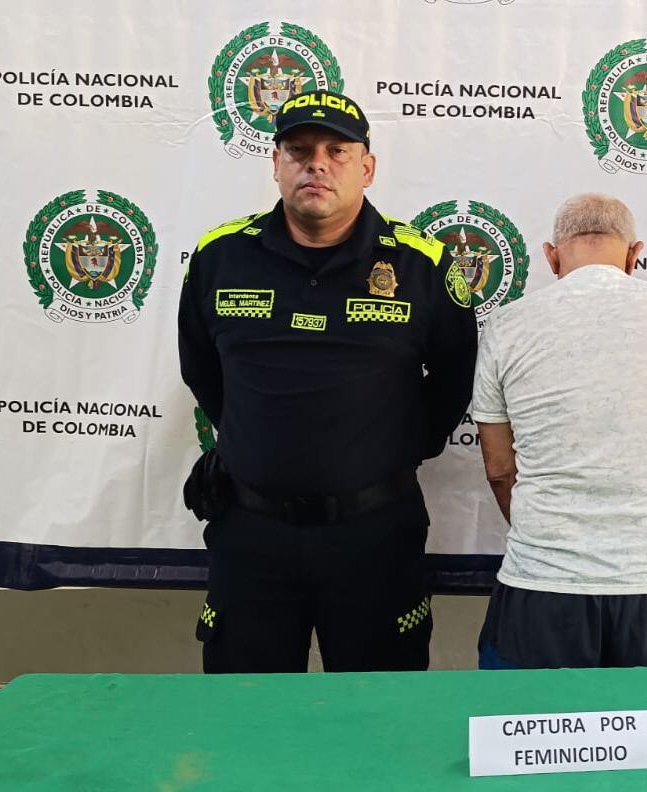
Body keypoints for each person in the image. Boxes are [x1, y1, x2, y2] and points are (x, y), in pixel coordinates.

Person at [177, 90, 477, 673]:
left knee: (379, 711)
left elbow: (453, 381)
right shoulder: (220, 256)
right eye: (299, 150)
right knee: (245, 710)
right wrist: (259, 447)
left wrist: (386, 454)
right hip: (252, 533)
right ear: (276, 163)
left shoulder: (422, 264)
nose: (317, 164)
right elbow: (202, 371)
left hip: (375, 536)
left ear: (367, 167)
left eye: (337, 151)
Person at [471, 193, 647, 669]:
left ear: (551, 257)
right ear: (634, 255)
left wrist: (546, 535)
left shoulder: (507, 324)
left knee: (533, 719)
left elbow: (499, 468)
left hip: (540, 584)